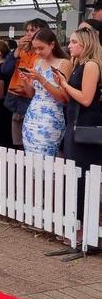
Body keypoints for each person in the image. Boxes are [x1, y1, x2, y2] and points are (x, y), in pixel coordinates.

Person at [54, 27, 102, 237]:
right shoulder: (78, 65)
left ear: (85, 44)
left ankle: (86, 229)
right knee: (75, 175)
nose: (69, 45)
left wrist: (64, 83)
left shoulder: (91, 65)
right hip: (74, 125)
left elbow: (85, 99)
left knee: (84, 177)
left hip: (86, 129)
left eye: (74, 42)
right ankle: (78, 225)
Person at [19, 29, 71, 156]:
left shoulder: (64, 64)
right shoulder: (38, 62)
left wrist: (41, 79)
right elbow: (31, 93)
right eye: (35, 48)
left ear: (52, 45)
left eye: (41, 48)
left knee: (46, 159)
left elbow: (64, 98)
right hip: (32, 114)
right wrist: (26, 81)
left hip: (51, 116)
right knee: (31, 159)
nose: (37, 52)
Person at [4, 18, 49, 148]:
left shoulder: (44, 54)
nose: (29, 33)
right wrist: (17, 50)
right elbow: (5, 70)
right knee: (17, 143)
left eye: (33, 30)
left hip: (34, 99)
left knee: (32, 142)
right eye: (27, 30)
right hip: (16, 99)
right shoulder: (21, 50)